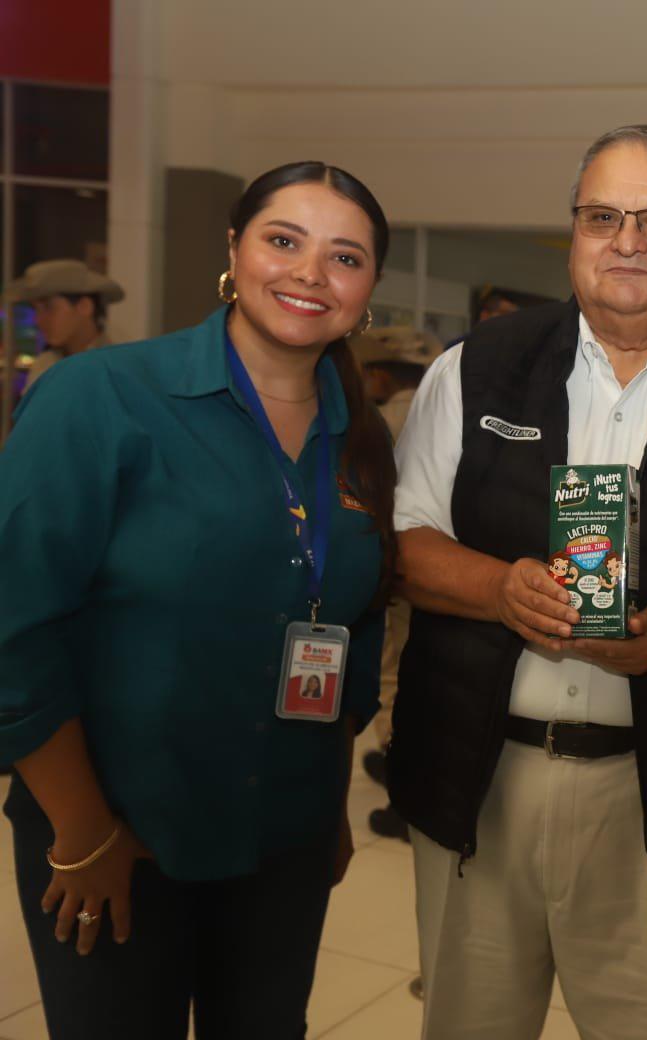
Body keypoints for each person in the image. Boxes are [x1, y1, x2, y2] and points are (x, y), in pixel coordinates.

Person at [388, 124, 647, 1040]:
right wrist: (501, 588)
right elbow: (406, 542)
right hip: (478, 775)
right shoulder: (476, 369)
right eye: (603, 216)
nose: (627, 241)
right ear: (572, 232)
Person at [0, 160, 394, 1039]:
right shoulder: (99, 399)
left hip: (282, 841)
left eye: (345, 258)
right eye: (283, 241)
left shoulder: (359, 437)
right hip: (122, 835)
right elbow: (13, 627)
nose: (308, 274)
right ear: (234, 250)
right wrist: (83, 829)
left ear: (368, 290)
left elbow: (350, 639)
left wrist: (327, 811)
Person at [348, 326, 440, 842]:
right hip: (440, 565)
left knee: (391, 677)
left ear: (380, 374)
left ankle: (404, 792)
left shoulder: (381, 422)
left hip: (397, 564)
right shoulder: (444, 409)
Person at [4, 259, 124, 396]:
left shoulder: (117, 364)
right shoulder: (45, 364)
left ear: (84, 306)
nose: (38, 320)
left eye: (48, 307)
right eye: (36, 309)